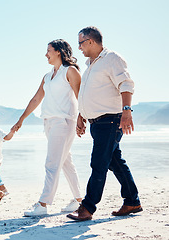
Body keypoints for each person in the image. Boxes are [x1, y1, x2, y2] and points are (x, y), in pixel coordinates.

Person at [67, 26, 142, 221]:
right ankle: (132, 201)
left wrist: (127, 111)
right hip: (97, 122)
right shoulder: (90, 64)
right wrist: (81, 115)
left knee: (98, 163)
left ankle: (88, 207)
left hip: (111, 119)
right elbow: (87, 94)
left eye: (81, 43)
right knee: (115, 162)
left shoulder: (111, 58)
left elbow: (126, 84)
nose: (79, 48)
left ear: (91, 41)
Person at [12, 39, 83, 216]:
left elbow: (80, 96)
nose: (46, 54)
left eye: (48, 51)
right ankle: (79, 200)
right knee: (66, 162)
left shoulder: (70, 71)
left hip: (64, 121)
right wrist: (21, 119)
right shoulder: (48, 75)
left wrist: (82, 118)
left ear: (58, 51)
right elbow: (36, 99)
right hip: (49, 122)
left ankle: (43, 204)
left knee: (52, 163)